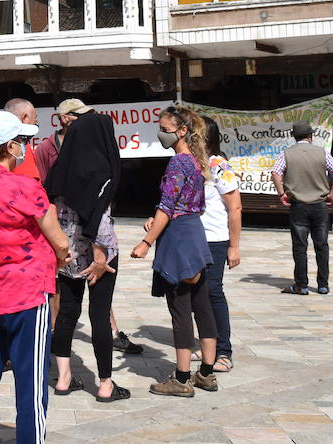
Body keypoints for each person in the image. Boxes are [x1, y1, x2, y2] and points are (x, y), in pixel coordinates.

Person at [0, 109, 68, 443]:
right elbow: (60, 242)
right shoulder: (24, 187)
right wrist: (59, 260)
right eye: (22, 141)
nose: (25, 147)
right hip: (25, 298)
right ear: (9, 147)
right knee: (31, 387)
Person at [131, 106, 218, 397]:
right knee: (202, 305)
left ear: (182, 131)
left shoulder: (177, 164)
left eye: (165, 129)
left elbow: (167, 207)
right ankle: (206, 372)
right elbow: (183, 205)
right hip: (195, 233)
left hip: (178, 239)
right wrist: (155, 219)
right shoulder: (196, 161)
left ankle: (181, 379)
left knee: (180, 308)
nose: (160, 133)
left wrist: (146, 242)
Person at [44, 109, 127, 402]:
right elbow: (100, 219)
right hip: (96, 257)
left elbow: (49, 210)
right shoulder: (101, 169)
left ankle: (64, 378)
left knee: (66, 313)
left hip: (66, 255)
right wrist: (101, 257)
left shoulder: (61, 167)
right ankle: (105, 384)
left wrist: (57, 250)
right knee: (99, 315)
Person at [271, 121, 333, 295]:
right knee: (321, 245)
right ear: (310, 135)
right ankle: (323, 284)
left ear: (294, 137)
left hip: (299, 205)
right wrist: (332, 194)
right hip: (319, 205)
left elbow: (275, 172)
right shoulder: (322, 153)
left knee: (300, 246)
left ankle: (301, 285)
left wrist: (282, 193)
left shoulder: (286, 154)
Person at [199, 117, 241, 372]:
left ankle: (223, 351)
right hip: (193, 239)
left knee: (213, 292)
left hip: (215, 239)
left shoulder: (219, 165)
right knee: (196, 295)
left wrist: (234, 246)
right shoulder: (192, 164)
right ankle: (207, 345)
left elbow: (234, 207)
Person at [35, 98, 92, 181]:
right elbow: (41, 185)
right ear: (64, 119)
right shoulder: (45, 149)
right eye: (80, 115)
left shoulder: (91, 142)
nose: (86, 119)